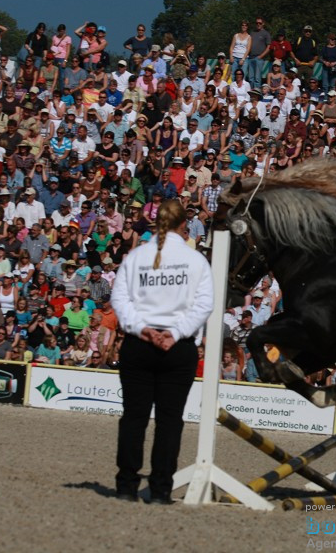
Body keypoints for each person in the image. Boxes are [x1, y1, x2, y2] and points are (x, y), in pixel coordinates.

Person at [110, 199, 213, 504]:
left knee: (133, 417)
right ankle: (160, 489)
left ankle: (126, 486)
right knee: (170, 421)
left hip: (139, 343)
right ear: (185, 224)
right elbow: (204, 304)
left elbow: (120, 299)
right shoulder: (196, 261)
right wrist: (175, 333)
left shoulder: (136, 256)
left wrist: (142, 329)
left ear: (156, 225)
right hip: (177, 347)